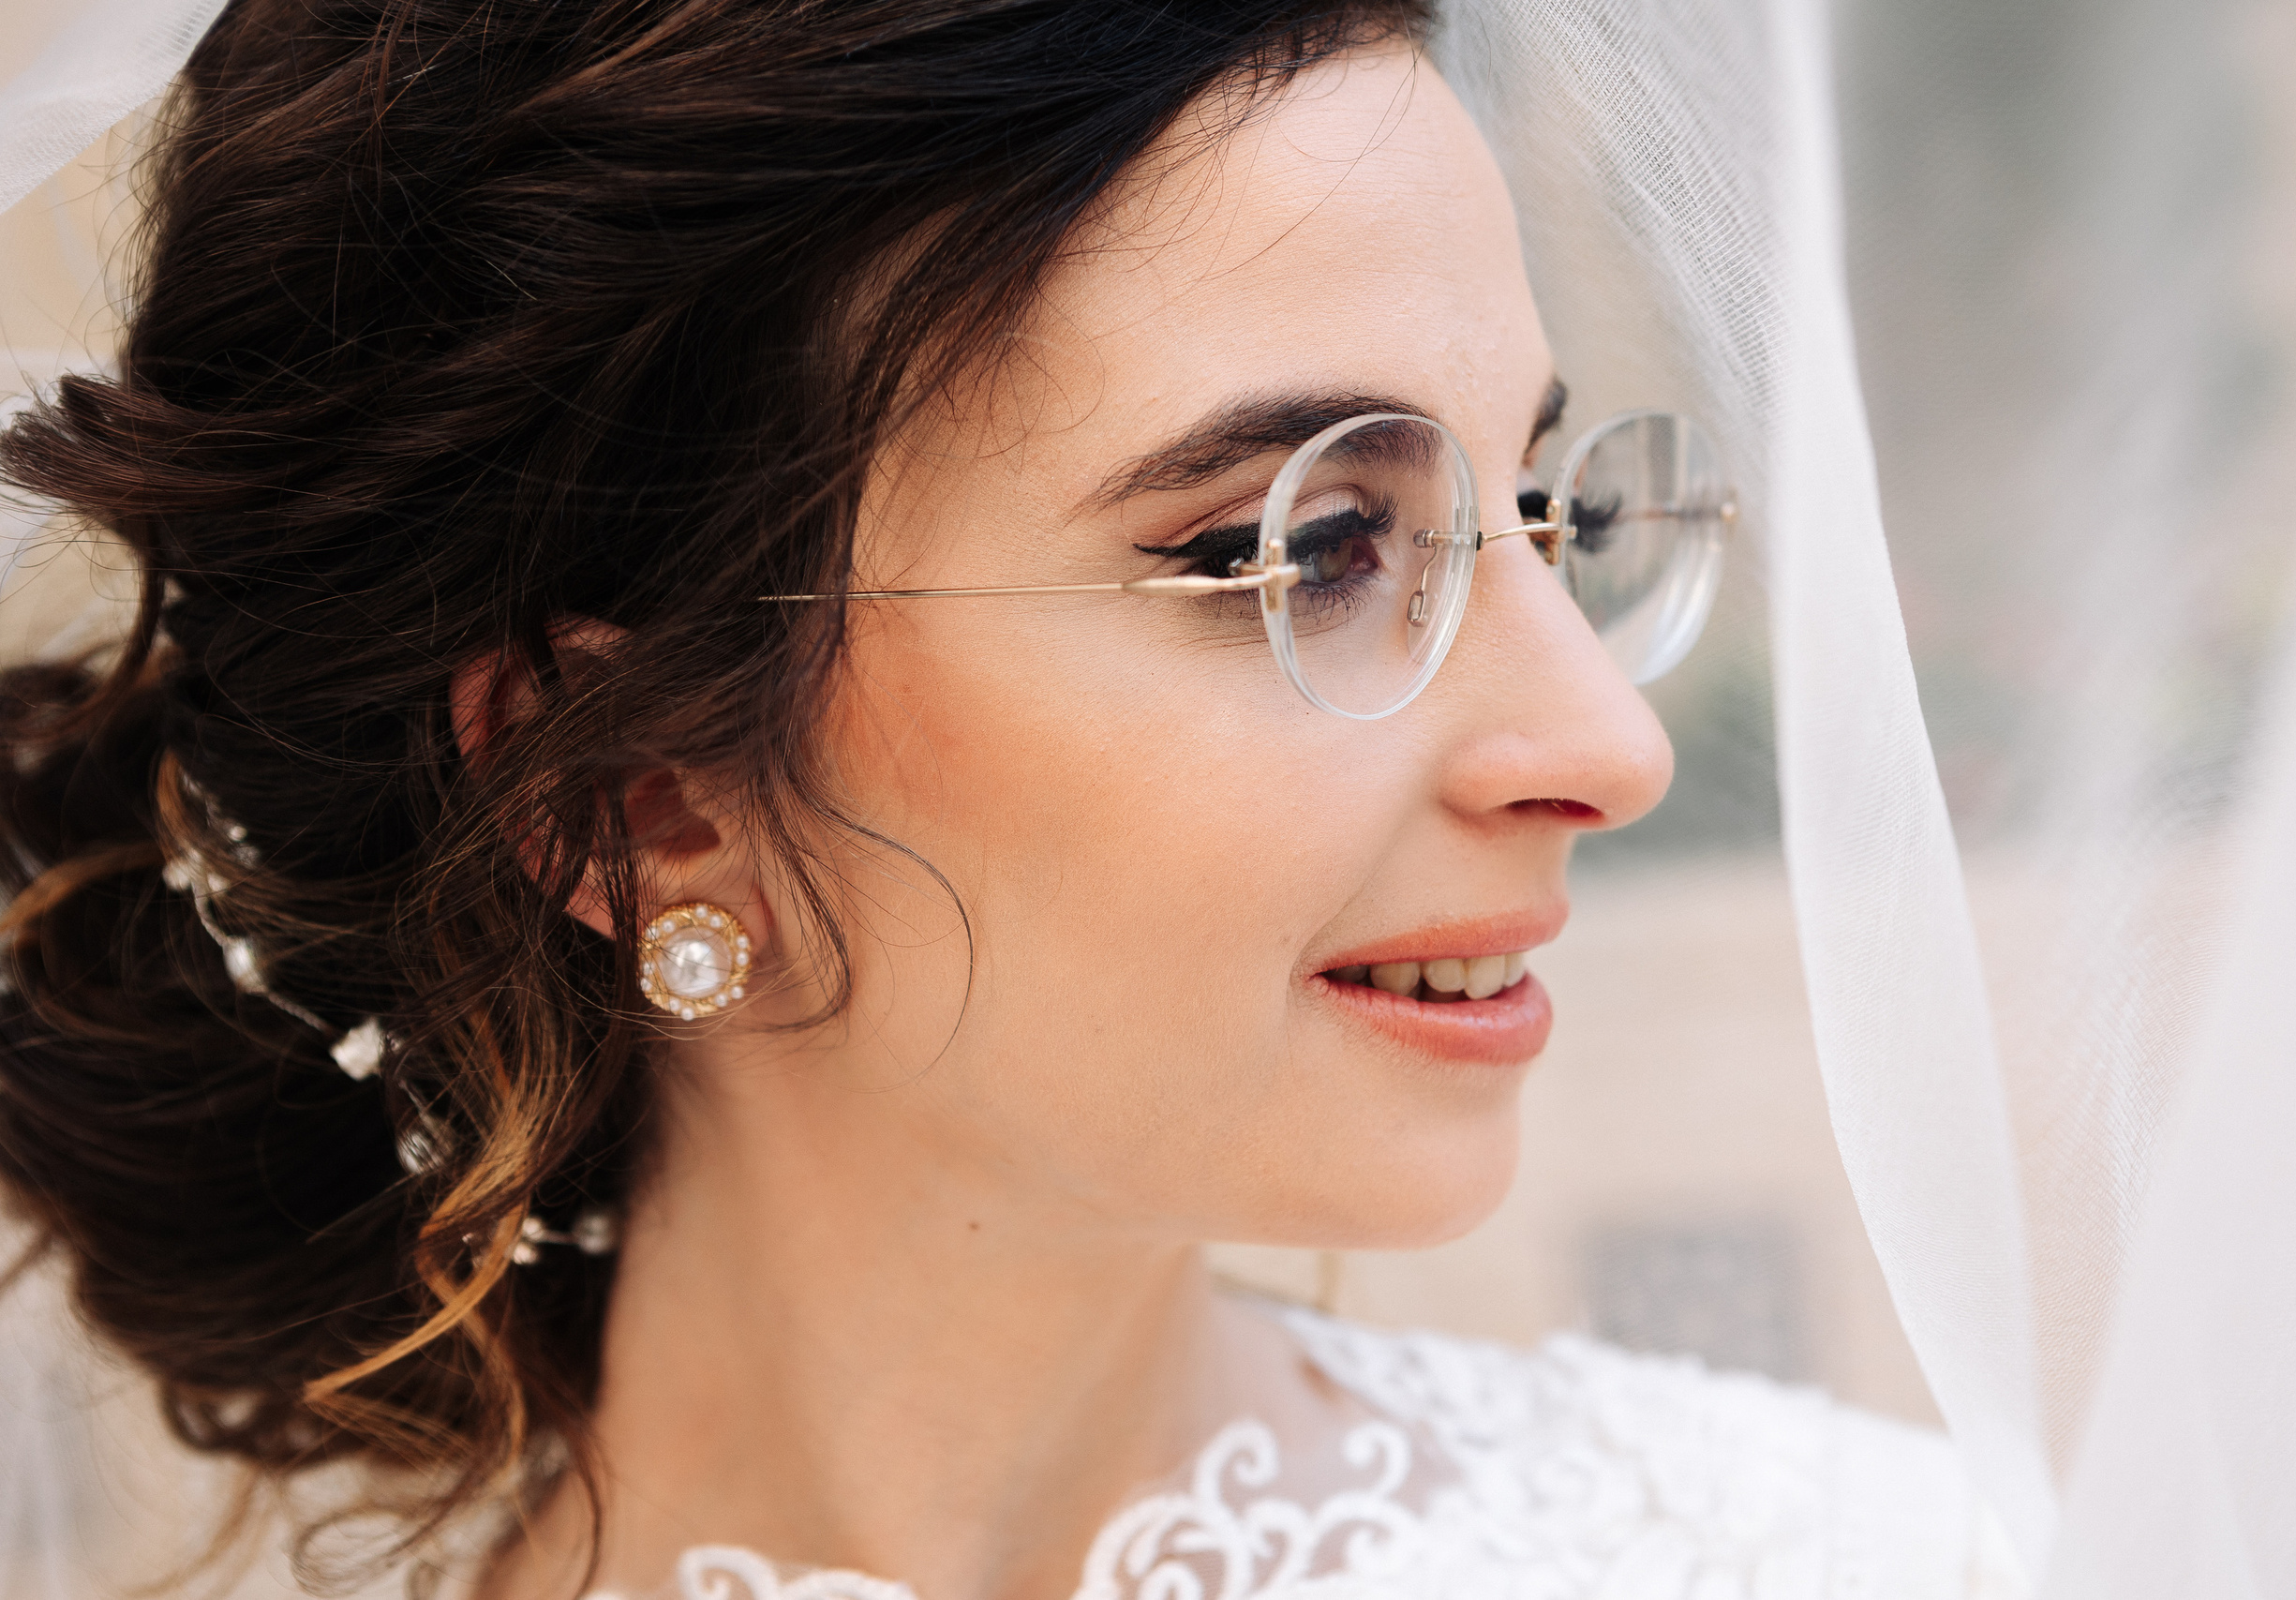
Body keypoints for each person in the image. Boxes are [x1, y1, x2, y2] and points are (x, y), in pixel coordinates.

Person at [0, 1, 2021, 1595]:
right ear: (637, 795)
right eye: (1304, 547)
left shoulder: (1864, 1562)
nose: (1604, 746)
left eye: (1544, 512)